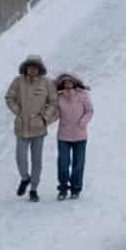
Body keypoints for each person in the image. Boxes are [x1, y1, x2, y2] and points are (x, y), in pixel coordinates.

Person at [5, 54, 55, 200]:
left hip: (38, 129)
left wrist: (44, 118)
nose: (32, 70)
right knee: (20, 158)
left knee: (37, 161)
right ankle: (25, 178)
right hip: (21, 128)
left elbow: (53, 102)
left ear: (40, 69)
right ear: (25, 68)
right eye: (30, 67)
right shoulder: (18, 81)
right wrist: (17, 111)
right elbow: (9, 98)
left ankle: (33, 189)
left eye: (35, 67)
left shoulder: (46, 83)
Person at [51, 71, 92, 199]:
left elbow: (89, 110)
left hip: (80, 136)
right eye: (65, 82)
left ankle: (76, 189)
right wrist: (44, 121)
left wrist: (82, 122)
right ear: (62, 84)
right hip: (64, 136)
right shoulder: (59, 97)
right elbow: (56, 114)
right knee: (63, 163)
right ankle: (63, 188)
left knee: (78, 164)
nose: (67, 84)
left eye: (69, 81)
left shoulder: (83, 94)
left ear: (74, 82)